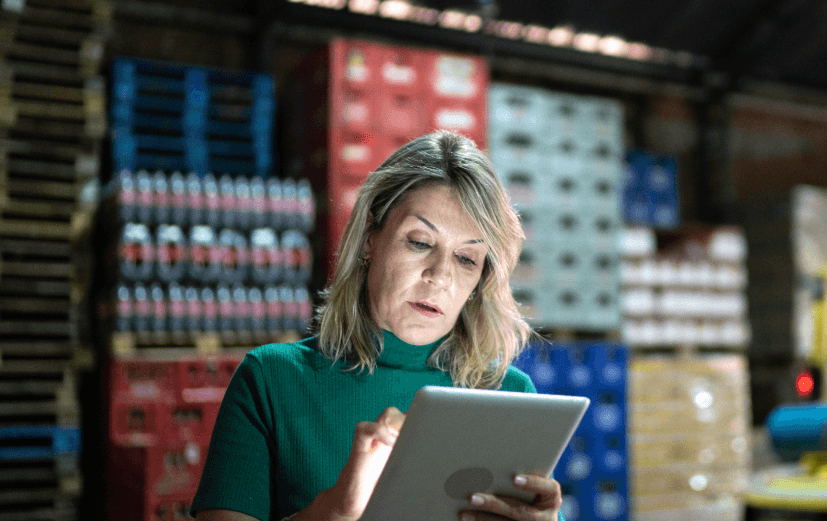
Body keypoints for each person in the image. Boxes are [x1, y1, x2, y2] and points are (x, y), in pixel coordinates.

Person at [192, 132, 562, 521]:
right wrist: (333, 512)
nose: (440, 277)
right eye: (420, 242)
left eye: (467, 259)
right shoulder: (271, 379)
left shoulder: (510, 396)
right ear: (371, 236)